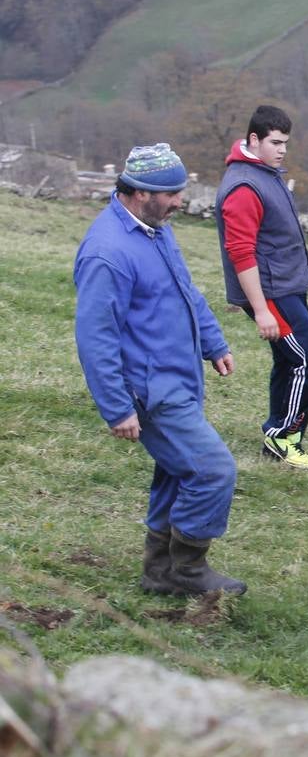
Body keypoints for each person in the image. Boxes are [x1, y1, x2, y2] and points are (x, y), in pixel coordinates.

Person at [74, 143, 247, 596]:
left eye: (179, 191)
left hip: (179, 377)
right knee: (212, 471)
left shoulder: (154, 229)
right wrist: (117, 408)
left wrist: (213, 342)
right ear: (136, 192)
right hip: (150, 392)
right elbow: (96, 338)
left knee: (178, 470)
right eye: (168, 194)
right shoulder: (107, 253)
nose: (178, 202)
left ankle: (159, 574)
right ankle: (188, 569)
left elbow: (186, 290)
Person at [216, 105, 308, 470]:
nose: (282, 150)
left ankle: (278, 435)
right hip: (269, 293)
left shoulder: (265, 174)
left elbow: (275, 235)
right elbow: (241, 251)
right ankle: (282, 437)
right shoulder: (243, 187)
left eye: (286, 143)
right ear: (254, 139)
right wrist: (262, 309)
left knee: (291, 359)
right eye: (275, 142)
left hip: (285, 284)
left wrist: (305, 267)